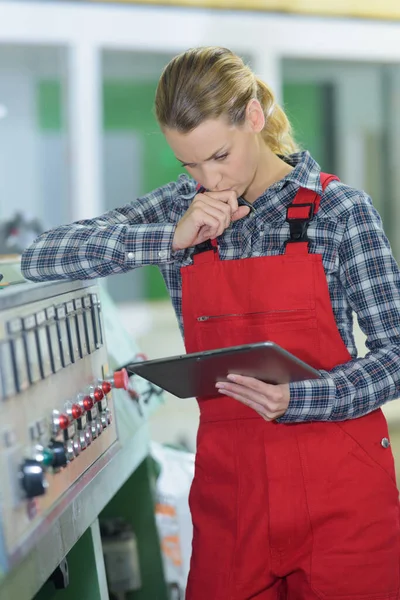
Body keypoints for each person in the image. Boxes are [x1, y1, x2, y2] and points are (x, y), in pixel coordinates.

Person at [21, 46, 400, 599]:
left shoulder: (340, 213)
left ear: (253, 117)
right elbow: (43, 256)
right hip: (233, 498)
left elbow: (395, 354)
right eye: (190, 164)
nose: (207, 177)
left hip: (342, 496)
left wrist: (305, 397)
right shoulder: (183, 207)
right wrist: (168, 238)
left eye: (219, 156)